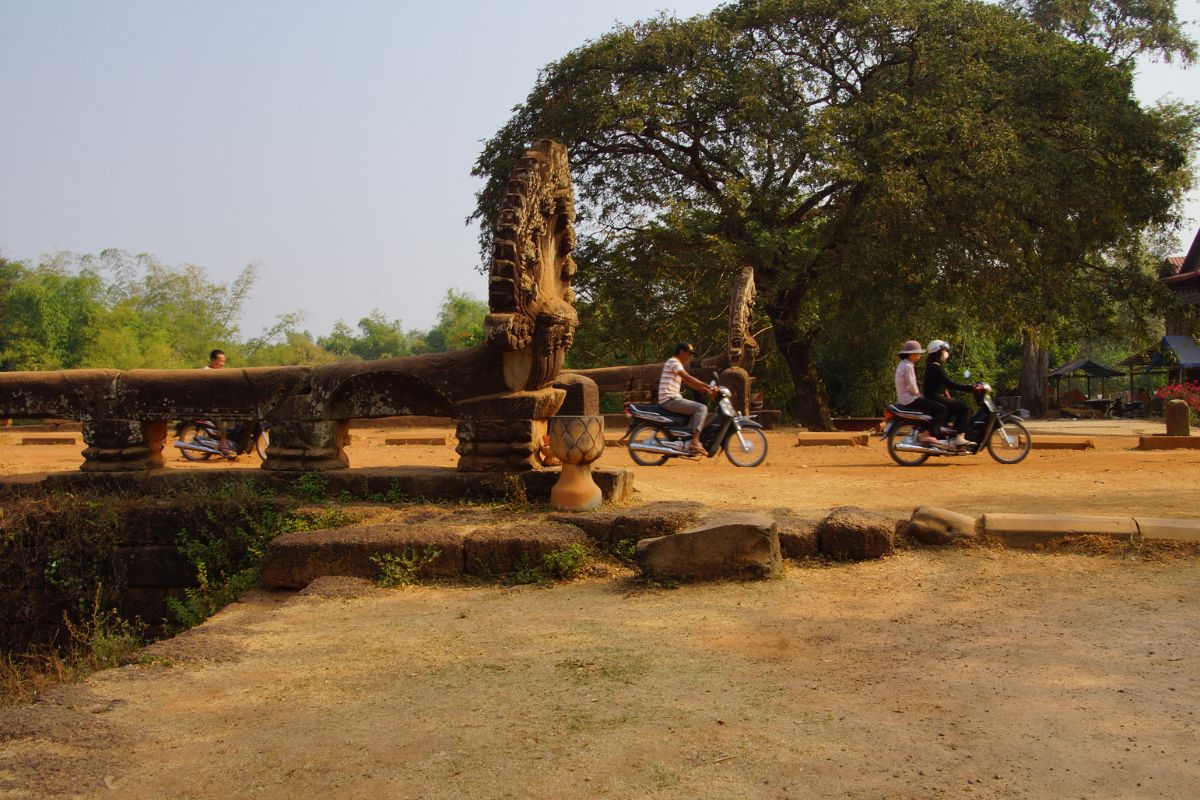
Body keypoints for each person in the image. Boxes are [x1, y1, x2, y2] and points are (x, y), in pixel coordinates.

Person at [658, 342, 718, 454]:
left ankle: (685, 441)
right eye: (689, 353)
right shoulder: (674, 362)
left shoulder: (675, 363)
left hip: (671, 398)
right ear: (681, 352)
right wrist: (708, 386)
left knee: (695, 411)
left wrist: (705, 390)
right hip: (670, 399)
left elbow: (690, 383)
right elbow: (687, 378)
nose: (690, 356)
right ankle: (695, 441)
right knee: (701, 408)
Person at [894, 340, 949, 447]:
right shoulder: (909, 366)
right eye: (917, 353)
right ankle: (927, 434)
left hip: (903, 398)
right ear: (911, 354)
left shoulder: (902, 364)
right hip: (910, 399)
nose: (919, 355)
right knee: (941, 409)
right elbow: (912, 386)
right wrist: (920, 395)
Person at [923, 340, 974, 449]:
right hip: (935, 397)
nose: (946, 353)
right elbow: (950, 384)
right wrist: (968, 388)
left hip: (934, 396)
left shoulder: (932, 366)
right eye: (944, 351)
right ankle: (959, 438)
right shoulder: (935, 367)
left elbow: (942, 385)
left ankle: (951, 436)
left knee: (957, 406)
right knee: (965, 408)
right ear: (938, 352)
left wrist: (949, 396)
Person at [202, 349, 233, 454]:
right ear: (213, 360)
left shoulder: (221, 373)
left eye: (224, 362)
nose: (222, 364)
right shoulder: (206, 372)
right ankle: (223, 442)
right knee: (222, 416)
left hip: (220, 402)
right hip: (210, 405)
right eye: (220, 361)